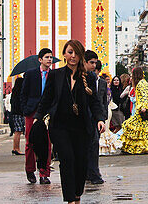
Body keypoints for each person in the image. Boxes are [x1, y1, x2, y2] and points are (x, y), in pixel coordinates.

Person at [37, 40, 105, 204]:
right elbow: (46, 99)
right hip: (60, 126)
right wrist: (38, 118)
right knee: (67, 160)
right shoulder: (56, 75)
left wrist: (100, 119)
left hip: (82, 127)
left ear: (80, 54)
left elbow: (95, 101)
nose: (72, 56)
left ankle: (77, 195)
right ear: (64, 54)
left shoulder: (88, 76)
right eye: (69, 52)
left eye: (76, 52)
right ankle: (69, 199)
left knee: (81, 162)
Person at [21, 47, 55, 184]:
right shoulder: (30, 74)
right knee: (30, 142)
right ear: (40, 59)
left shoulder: (54, 75)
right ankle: (30, 170)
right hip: (32, 112)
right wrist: (26, 109)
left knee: (46, 143)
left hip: (46, 112)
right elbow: (23, 94)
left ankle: (44, 173)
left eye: (51, 57)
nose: (49, 60)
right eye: (47, 57)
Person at [118, 67, 148, 154]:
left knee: (134, 128)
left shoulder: (141, 84)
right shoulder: (141, 83)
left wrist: (144, 107)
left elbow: (144, 97)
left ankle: (130, 146)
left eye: (132, 75)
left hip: (141, 110)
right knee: (141, 130)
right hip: (140, 109)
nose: (131, 77)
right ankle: (136, 147)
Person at [82, 50, 107, 185]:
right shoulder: (74, 75)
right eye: (91, 63)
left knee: (93, 144)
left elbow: (95, 100)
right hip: (78, 117)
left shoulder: (92, 77)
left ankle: (94, 173)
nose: (94, 65)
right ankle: (85, 172)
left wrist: (100, 119)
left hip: (91, 117)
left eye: (95, 63)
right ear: (84, 62)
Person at [8, 76, 26, 155]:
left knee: (17, 131)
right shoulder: (19, 94)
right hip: (18, 113)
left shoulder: (14, 93)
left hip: (14, 113)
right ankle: (16, 148)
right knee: (18, 131)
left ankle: (15, 148)